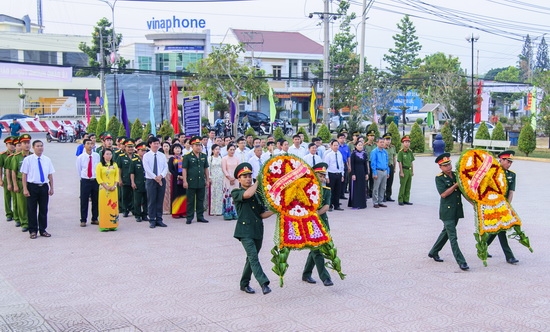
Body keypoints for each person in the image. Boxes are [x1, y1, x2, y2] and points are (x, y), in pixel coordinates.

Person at [232, 162, 275, 295]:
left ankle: (244, 284)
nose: (248, 178)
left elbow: (261, 214)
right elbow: (247, 195)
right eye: (244, 176)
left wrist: (275, 211)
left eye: (250, 175)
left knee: (251, 258)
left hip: (257, 230)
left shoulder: (257, 194)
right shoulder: (236, 192)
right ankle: (264, 283)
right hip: (245, 232)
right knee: (253, 256)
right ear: (239, 179)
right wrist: (258, 182)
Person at [428, 153, 469, 271]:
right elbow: (444, 194)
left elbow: (463, 192)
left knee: (446, 232)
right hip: (447, 211)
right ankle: (461, 261)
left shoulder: (456, 175)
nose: (448, 167)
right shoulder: (439, 178)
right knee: (453, 236)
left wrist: (473, 204)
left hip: (456, 209)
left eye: (449, 164)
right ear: (440, 167)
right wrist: (456, 185)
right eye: (445, 165)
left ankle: (433, 251)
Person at [302, 162, 334, 286]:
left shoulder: (326, 190)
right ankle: (325, 277)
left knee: (315, 249)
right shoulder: (305, 190)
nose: (322, 178)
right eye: (319, 175)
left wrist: (317, 214)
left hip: (322, 222)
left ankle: (306, 274)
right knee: (316, 250)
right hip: (309, 223)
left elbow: (326, 205)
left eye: (323, 176)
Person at [486, 150, 519, 264]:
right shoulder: (492, 173)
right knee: (501, 229)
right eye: (507, 161)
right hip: (493, 205)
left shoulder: (512, 175)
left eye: (511, 162)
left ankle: (483, 246)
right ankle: (509, 256)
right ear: (501, 160)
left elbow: (510, 192)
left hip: (503, 206)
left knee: (499, 228)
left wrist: (508, 206)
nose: (509, 164)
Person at [21, 140, 55, 239]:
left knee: (43, 209)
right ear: (33, 147)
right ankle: (33, 231)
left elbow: (50, 175)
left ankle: (43, 229)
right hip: (32, 186)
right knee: (32, 209)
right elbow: (24, 175)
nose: (40, 148)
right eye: (37, 146)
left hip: (43, 186)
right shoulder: (28, 159)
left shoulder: (47, 159)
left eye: (41, 146)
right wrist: (25, 189)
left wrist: (51, 187)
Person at [182, 136, 210, 224]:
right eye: (196, 145)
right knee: (190, 200)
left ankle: (200, 216)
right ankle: (189, 217)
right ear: (192, 146)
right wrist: (185, 181)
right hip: (191, 181)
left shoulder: (203, 156)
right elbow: (184, 169)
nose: (198, 147)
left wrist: (207, 180)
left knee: (200, 199)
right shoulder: (187, 157)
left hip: (201, 181)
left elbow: (206, 168)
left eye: (199, 145)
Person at [143, 136, 168, 229]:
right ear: (150, 144)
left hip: (161, 179)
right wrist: (155, 177)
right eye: (155, 143)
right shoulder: (146, 156)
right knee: (151, 200)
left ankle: (159, 219)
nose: (157, 145)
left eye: (158, 143)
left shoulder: (161, 155)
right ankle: (152, 219)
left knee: (159, 200)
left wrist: (161, 176)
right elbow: (147, 169)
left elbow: (166, 167)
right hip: (151, 180)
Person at [10, 134, 32, 232]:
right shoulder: (16, 157)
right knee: (22, 204)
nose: (27, 145)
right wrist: (14, 184)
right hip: (20, 182)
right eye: (24, 143)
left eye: (28, 143)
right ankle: (24, 222)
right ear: (20, 144)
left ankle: (31, 221)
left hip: (31, 183)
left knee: (31, 203)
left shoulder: (33, 156)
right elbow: (13, 172)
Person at [76, 138, 100, 227]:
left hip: (95, 180)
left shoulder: (97, 155)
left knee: (95, 200)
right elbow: (79, 169)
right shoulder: (80, 157)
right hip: (85, 180)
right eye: (88, 144)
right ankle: (83, 219)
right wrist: (83, 178)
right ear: (84, 145)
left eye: (91, 144)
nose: (90, 145)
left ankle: (94, 218)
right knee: (84, 200)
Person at [95, 148, 119, 231]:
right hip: (103, 189)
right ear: (103, 155)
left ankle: (113, 224)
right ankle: (104, 225)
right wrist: (105, 186)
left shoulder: (115, 164)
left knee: (113, 206)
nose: (109, 156)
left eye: (110, 154)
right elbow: (98, 177)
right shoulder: (100, 165)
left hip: (113, 188)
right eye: (107, 154)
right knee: (104, 206)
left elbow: (117, 176)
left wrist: (115, 185)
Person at [5, 136, 22, 227]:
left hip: (22, 180)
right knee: (14, 199)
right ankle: (15, 216)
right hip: (12, 180)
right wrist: (9, 183)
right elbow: (7, 170)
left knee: (21, 201)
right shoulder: (10, 157)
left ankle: (22, 216)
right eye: (18, 145)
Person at [324, 139, 345, 211]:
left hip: (338, 174)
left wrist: (342, 175)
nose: (336, 147)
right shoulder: (328, 155)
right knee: (330, 191)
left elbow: (342, 165)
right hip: (331, 174)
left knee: (338, 190)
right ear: (331, 146)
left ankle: (336, 205)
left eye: (337, 145)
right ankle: (329, 205)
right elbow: (326, 167)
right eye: (334, 145)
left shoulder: (339, 154)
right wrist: (326, 177)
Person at [130, 142, 148, 223]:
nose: (143, 152)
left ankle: (145, 214)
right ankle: (138, 215)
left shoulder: (147, 160)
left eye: (145, 151)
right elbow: (132, 173)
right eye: (142, 151)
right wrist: (132, 182)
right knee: (137, 200)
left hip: (147, 182)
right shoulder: (134, 161)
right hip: (138, 182)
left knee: (146, 200)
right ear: (137, 151)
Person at [348, 141, 369, 209]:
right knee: (356, 188)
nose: (360, 146)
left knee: (362, 188)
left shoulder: (364, 154)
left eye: (361, 145)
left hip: (362, 173)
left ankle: (362, 204)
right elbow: (352, 165)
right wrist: (353, 174)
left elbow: (365, 164)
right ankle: (355, 204)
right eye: (359, 145)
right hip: (356, 173)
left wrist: (366, 173)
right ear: (356, 146)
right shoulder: (353, 154)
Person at [118, 139, 136, 217]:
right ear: (125, 147)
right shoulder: (121, 157)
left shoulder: (136, 157)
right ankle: (125, 210)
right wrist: (119, 179)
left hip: (135, 180)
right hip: (125, 179)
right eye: (128, 147)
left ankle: (133, 209)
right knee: (125, 196)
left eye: (132, 147)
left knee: (134, 196)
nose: (130, 148)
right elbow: (119, 169)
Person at [168, 143, 187, 218]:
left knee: (183, 194)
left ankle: (183, 212)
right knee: (176, 195)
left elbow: (186, 168)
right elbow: (171, 169)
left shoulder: (184, 158)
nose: (177, 149)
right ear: (173, 150)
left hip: (184, 177)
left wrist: (184, 176)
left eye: (179, 148)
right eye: (176, 148)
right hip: (175, 178)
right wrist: (178, 176)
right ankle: (176, 212)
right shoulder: (171, 159)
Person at [370, 137, 389, 208]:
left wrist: (388, 172)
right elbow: (373, 163)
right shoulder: (374, 152)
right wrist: (374, 173)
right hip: (378, 171)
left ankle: (380, 201)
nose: (382, 143)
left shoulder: (385, 152)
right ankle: (375, 202)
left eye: (383, 142)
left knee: (383, 187)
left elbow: (387, 162)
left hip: (384, 171)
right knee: (376, 187)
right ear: (377, 143)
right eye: (380, 142)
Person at [222, 143, 239, 220]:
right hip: (227, 179)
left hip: (236, 179)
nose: (232, 151)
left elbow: (238, 169)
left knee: (235, 195)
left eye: (233, 150)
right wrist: (229, 178)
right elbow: (224, 169)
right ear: (227, 150)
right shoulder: (224, 159)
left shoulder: (237, 158)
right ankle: (227, 213)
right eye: (230, 150)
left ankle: (235, 212)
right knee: (228, 195)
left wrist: (235, 178)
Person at [0, 136, 16, 222]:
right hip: (7, 178)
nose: (12, 146)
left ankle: (16, 213)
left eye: (14, 144)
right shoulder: (2, 155)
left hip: (16, 179)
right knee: (7, 196)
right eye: (10, 144)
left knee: (15, 197)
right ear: (6, 145)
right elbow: (0, 168)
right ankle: (9, 213)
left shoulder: (18, 154)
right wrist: (0, 180)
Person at [397, 135, 415, 206]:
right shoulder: (401, 152)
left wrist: (412, 171)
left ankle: (406, 199)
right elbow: (400, 162)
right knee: (403, 186)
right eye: (406, 142)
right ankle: (400, 200)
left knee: (408, 186)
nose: (407, 143)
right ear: (403, 143)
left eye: (408, 142)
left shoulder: (410, 152)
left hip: (409, 170)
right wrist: (401, 172)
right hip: (404, 170)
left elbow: (411, 162)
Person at [208, 144, 223, 216]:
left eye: (218, 149)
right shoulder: (210, 158)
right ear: (212, 150)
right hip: (213, 177)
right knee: (213, 193)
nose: (217, 151)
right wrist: (209, 178)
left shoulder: (221, 158)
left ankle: (219, 210)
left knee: (220, 193)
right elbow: (208, 169)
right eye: (216, 149)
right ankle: (213, 210)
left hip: (220, 177)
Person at [383, 133, 396, 202]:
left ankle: (388, 196)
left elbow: (394, 157)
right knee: (383, 182)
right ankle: (383, 196)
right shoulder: (382, 148)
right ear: (384, 140)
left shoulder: (393, 147)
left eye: (389, 139)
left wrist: (394, 167)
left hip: (390, 166)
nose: (388, 141)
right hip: (384, 167)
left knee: (390, 182)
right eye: (387, 139)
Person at [337, 133, 350, 199]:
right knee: (339, 179)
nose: (342, 139)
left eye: (343, 138)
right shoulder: (336, 146)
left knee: (344, 180)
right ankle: (338, 195)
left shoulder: (346, 146)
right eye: (341, 138)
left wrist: (349, 165)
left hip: (345, 164)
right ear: (338, 139)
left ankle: (342, 194)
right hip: (338, 164)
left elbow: (348, 157)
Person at [364, 130, 376, 198]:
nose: (372, 137)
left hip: (374, 163)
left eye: (373, 136)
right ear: (367, 136)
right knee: (367, 178)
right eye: (370, 136)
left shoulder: (375, 145)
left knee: (373, 178)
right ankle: (367, 193)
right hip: (367, 163)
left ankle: (372, 192)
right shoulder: (365, 146)